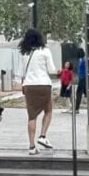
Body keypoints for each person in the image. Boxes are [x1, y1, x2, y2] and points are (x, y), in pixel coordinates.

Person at [17, 27, 57, 155]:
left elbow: (21, 73)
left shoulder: (24, 53)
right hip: (44, 84)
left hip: (29, 86)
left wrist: (23, 84)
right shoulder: (45, 51)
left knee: (32, 116)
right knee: (48, 110)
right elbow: (51, 70)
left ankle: (31, 146)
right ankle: (43, 136)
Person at [74, 48, 88, 114]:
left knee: (78, 93)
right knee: (86, 93)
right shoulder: (81, 59)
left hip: (83, 79)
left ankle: (76, 109)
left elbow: (86, 70)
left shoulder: (84, 60)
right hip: (81, 78)